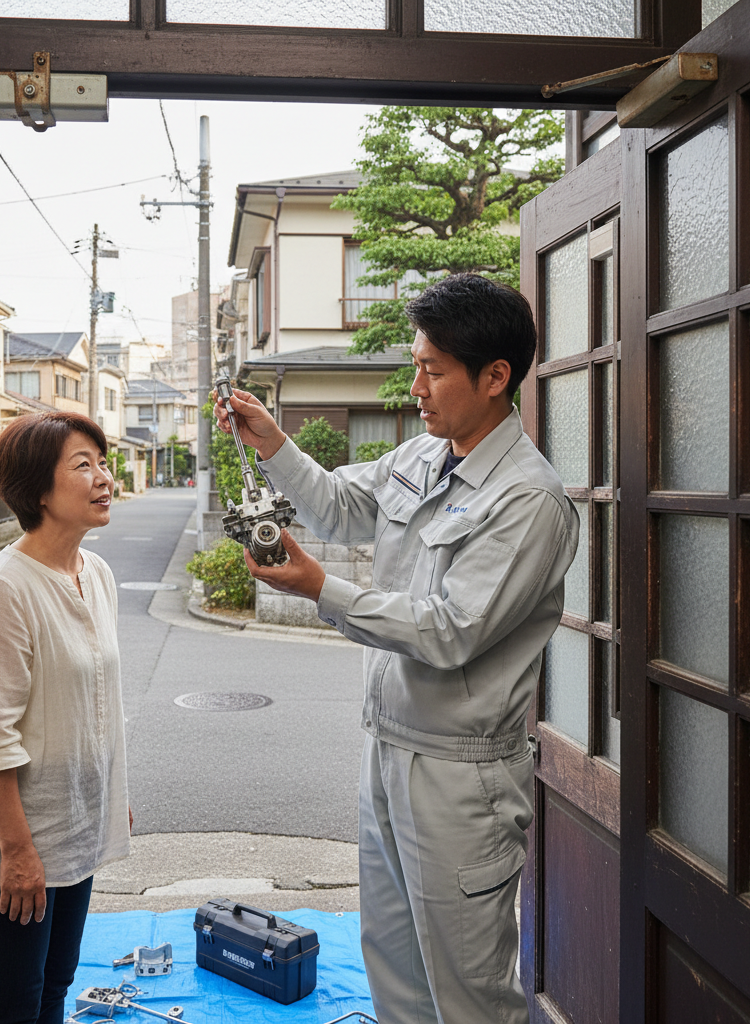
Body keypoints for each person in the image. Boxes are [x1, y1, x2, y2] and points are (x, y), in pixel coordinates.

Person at [214, 274, 578, 1024]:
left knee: (469, 990)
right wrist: (273, 442)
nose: (415, 385)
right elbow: (343, 507)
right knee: (394, 967)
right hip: (387, 747)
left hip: (461, 775)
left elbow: (450, 630)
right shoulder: (421, 455)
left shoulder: (528, 500)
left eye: (432, 369)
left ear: (495, 377)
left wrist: (321, 589)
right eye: (416, 364)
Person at [0, 411, 131, 1024]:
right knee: (9, 1006)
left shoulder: (94, 573)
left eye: (103, 462)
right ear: (36, 488)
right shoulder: (5, 589)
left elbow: (96, 698)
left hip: (73, 823)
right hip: (14, 844)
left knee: (54, 990)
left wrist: (109, 793)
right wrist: (18, 854)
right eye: (83, 465)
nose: (103, 478)